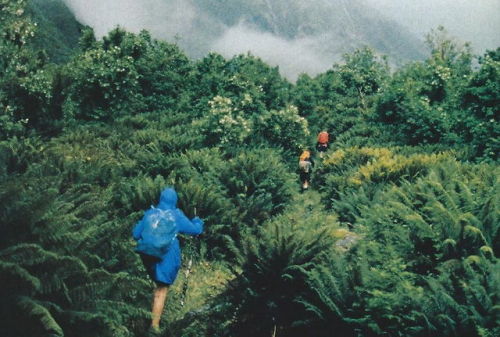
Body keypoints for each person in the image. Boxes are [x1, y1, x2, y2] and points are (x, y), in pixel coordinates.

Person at [132, 187, 204, 334]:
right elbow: (195, 231)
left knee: (156, 284)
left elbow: (135, 234)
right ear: (175, 201)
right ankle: (154, 327)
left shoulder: (150, 213)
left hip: (147, 254)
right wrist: (198, 221)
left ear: (160, 199)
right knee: (161, 289)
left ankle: (148, 316)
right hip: (166, 257)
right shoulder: (176, 215)